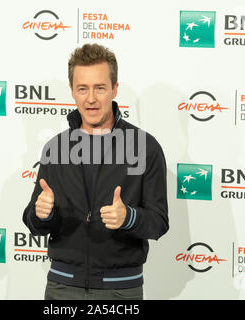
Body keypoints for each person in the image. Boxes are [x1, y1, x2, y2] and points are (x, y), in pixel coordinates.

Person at [22, 43, 169, 300]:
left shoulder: (145, 147)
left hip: (121, 289)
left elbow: (159, 222)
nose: (91, 98)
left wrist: (129, 217)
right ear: (72, 92)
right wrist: (41, 213)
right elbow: (35, 223)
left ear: (114, 89)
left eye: (100, 88)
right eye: (83, 88)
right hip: (62, 287)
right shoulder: (54, 148)